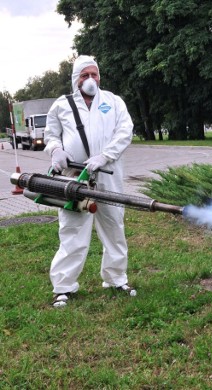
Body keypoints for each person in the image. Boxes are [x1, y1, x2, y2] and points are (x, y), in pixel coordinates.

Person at [44, 55, 135, 307]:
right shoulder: (62, 105)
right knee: (72, 229)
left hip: (108, 173)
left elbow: (125, 131)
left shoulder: (113, 102)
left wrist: (105, 156)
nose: (91, 79)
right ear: (76, 79)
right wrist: (55, 150)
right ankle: (63, 287)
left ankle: (116, 278)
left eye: (94, 74)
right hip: (74, 177)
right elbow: (51, 134)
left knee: (114, 226)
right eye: (85, 75)